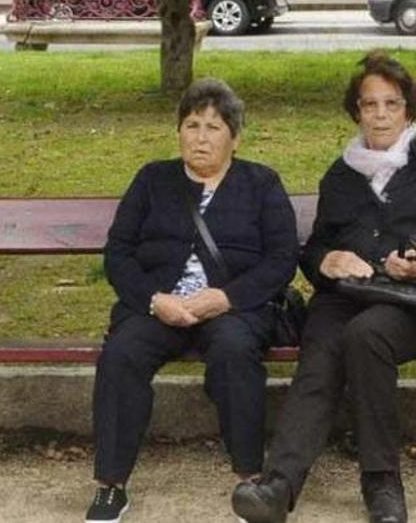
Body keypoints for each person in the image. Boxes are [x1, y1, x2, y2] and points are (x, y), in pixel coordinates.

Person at [232, 52, 416, 523]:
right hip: (348, 295)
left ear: (408, 110)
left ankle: (382, 482)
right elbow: (314, 251)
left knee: (366, 335)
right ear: (356, 111)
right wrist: (326, 262)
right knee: (323, 343)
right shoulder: (342, 174)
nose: (379, 115)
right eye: (369, 104)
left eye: (390, 104)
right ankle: (278, 485)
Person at [84, 78, 298, 523]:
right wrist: (153, 299)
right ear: (178, 131)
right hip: (159, 305)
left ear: (235, 138)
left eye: (214, 127)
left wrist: (226, 296)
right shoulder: (152, 180)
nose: (201, 137)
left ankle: (249, 478)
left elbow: (281, 260)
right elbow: (118, 252)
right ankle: (110, 484)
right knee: (122, 354)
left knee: (235, 352)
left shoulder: (261, 183)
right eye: (192, 125)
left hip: (232, 307)